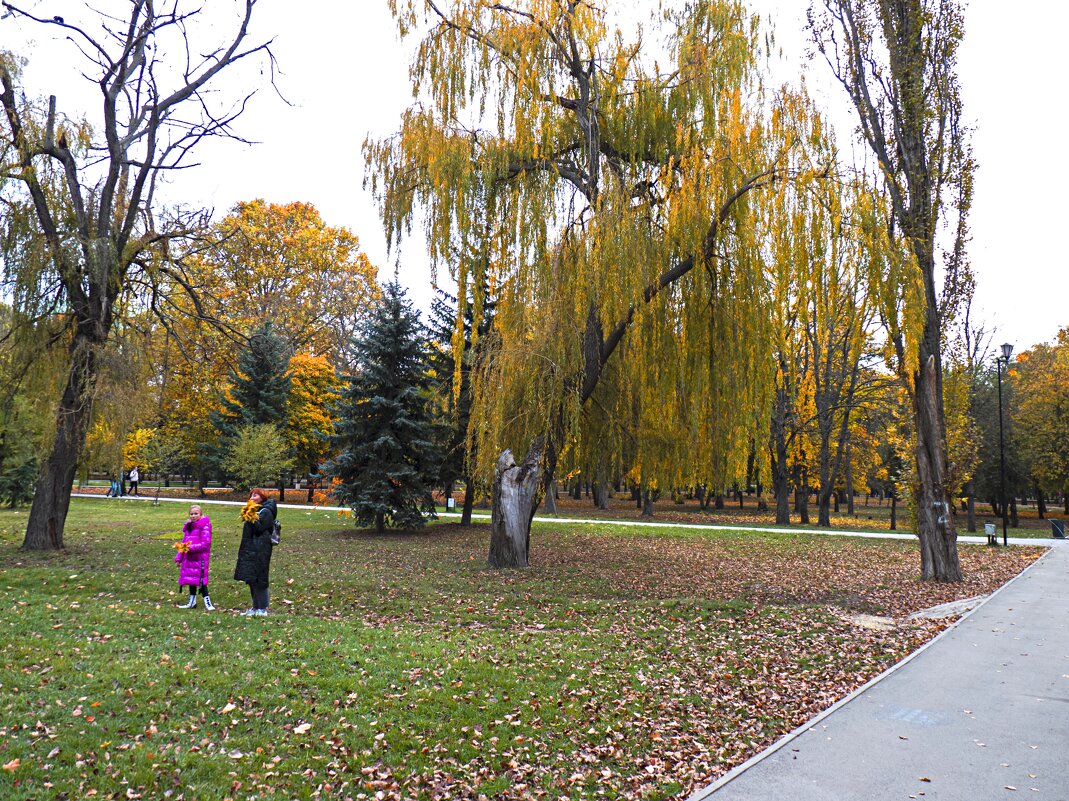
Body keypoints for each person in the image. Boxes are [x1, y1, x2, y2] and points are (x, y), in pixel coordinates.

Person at [234, 488, 276, 616]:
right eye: (251, 495)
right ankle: (255, 607)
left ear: (263, 497)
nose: (253, 497)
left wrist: (251, 516)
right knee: (251, 578)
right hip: (250, 548)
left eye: (256, 495)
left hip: (261, 549)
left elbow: (259, 528)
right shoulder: (254, 510)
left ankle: (262, 608)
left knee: (260, 579)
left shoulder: (266, 511)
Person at [174, 505, 214, 610]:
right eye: (191, 514)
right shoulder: (188, 527)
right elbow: (183, 543)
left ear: (201, 514)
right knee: (191, 580)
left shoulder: (205, 526)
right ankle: (192, 602)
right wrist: (179, 558)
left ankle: (208, 603)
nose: (193, 516)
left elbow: (205, 543)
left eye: (196, 513)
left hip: (200, 558)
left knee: (201, 581)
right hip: (189, 559)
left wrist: (190, 548)